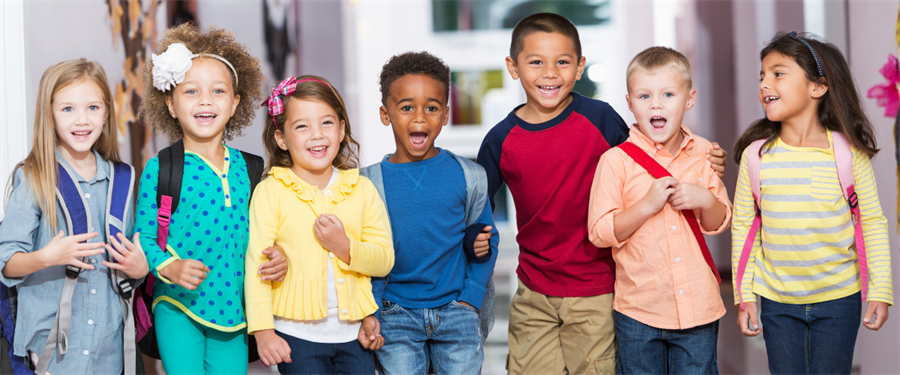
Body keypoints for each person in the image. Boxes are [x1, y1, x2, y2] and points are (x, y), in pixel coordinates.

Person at [477, 13, 729, 374]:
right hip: (534, 286)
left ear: (579, 67)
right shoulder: (502, 139)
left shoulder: (599, 118)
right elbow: (477, 199)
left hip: (596, 285)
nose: (550, 73)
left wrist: (702, 151)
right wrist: (476, 235)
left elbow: (647, 149)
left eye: (562, 62)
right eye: (536, 62)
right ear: (513, 67)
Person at [732, 32, 893, 375]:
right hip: (777, 300)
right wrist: (744, 296)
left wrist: (880, 290)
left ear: (817, 87)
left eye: (778, 73)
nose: (764, 83)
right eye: (761, 75)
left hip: (839, 300)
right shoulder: (756, 156)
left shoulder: (849, 154)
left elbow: (873, 224)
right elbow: (745, 230)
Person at [134, 23, 285, 374]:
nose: (205, 100)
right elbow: (142, 237)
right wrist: (169, 266)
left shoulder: (251, 168)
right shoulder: (161, 168)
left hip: (234, 310)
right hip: (176, 307)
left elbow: (268, 232)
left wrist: (280, 254)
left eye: (218, 91)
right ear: (170, 104)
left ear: (234, 103)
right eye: (191, 91)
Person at [0, 59, 149, 374]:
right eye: (68, 109)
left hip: (110, 351)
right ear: (49, 114)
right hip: (53, 355)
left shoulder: (124, 179)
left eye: (93, 108)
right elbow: (6, 262)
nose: (82, 120)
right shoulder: (33, 178)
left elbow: (131, 263)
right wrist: (48, 256)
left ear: (107, 112)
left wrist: (139, 269)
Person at [588, 46, 731, 374]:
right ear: (629, 103)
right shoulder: (615, 162)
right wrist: (646, 206)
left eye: (668, 94)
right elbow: (600, 233)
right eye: (644, 96)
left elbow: (718, 222)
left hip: (699, 308)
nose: (656, 104)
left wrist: (705, 199)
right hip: (639, 311)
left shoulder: (704, 153)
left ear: (689, 99)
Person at [246, 75, 394, 374]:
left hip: (355, 335)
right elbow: (257, 266)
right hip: (296, 336)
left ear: (341, 129)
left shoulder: (362, 189)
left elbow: (384, 260)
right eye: (302, 126)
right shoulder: (271, 191)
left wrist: (344, 247)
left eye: (327, 123)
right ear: (281, 139)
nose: (317, 135)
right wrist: (263, 331)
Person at [364, 52, 499, 375]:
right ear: (386, 114)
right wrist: (371, 309)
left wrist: (471, 300)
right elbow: (364, 251)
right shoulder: (366, 183)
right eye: (407, 107)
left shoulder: (469, 175)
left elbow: (486, 241)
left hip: (457, 310)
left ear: (446, 114)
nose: (420, 119)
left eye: (432, 108)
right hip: (394, 314)